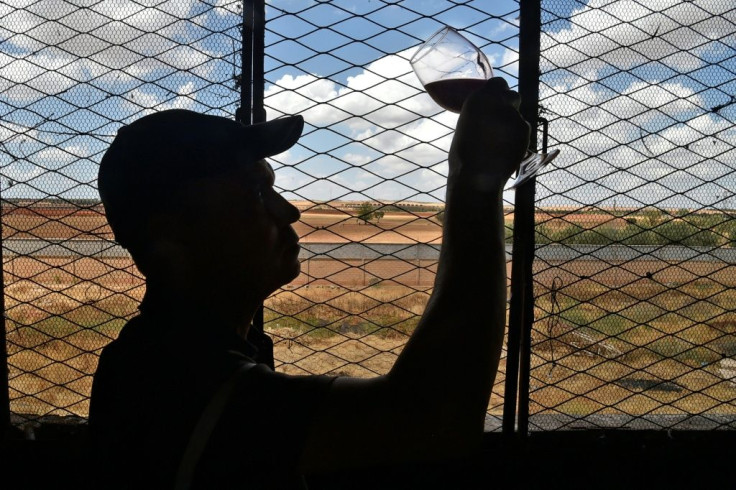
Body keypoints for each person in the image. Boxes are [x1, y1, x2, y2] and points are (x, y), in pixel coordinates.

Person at [89, 77, 530, 489]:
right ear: (171, 236)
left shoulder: (170, 354)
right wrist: (476, 181)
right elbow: (431, 417)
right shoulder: (178, 383)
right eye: (255, 194)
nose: (289, 212)